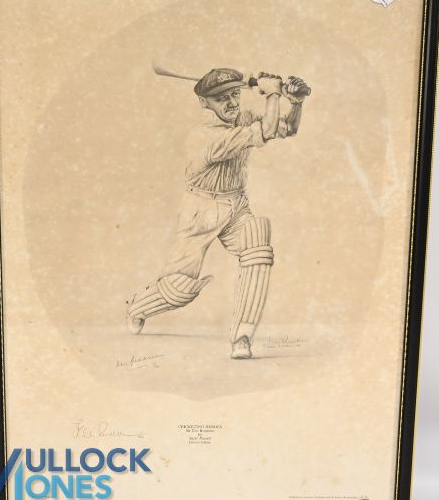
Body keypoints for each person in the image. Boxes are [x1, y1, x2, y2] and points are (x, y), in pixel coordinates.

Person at [126, 68, 310, 359]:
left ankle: (242, 336)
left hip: (236, 205)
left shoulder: (241, 118)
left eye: (235, 94)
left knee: (257, 243)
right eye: (222, 98)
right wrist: (273, 94)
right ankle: (138, 307)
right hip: (201, 211)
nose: (232, 103)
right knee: (179, 288)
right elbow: (265, 131)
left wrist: (295, 102)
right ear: (204, 102)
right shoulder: (205, 136)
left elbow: (285, 128)